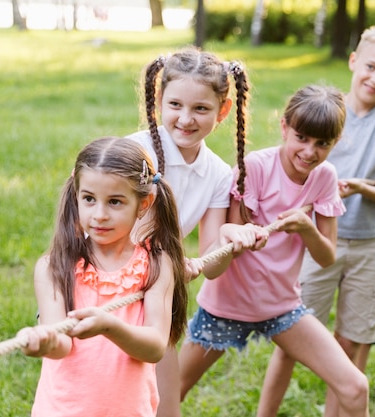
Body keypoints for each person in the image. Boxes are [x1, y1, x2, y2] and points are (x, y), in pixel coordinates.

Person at [178, 85, 370, 417]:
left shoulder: (324, 177)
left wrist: (306, 227)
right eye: (302, 138)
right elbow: (225, 250)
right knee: (168, 391)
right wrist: (239, 235)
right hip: (226, 306)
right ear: (284, 127)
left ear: (335, 143)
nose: (309, 151)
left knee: (356, 387)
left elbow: (327, 258)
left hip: (281, 307)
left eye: (322, 143)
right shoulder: (255, 167)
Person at [258, 24, 375, 416]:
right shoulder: (324, 113)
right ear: (353, 61)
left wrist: (360, 187)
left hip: (368, 245)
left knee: (350, 343)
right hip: (318, 243)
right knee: (292, 341)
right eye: (371, 67)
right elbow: (294, 169)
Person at [126, 47, 260, 417]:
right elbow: (103, 229)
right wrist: (170, 260)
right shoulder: (134, 152)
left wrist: (232, 237)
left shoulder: (218, 174)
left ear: (223, 111)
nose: (186, 119)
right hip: (108, 289)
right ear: (159, 102)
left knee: (165, 405)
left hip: (158, 297)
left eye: (201, 108)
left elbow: (212, 265)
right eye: (176, 105)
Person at [18, 137, 188, 417]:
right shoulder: (55, 266)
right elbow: (61, 343)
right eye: (89, 199)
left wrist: (110, 326)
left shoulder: (156, 264)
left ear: (144, 203)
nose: (99, 215)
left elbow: (156, 346)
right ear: (76, 195)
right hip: (62, 410)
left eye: (115, 202)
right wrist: (46, 342)